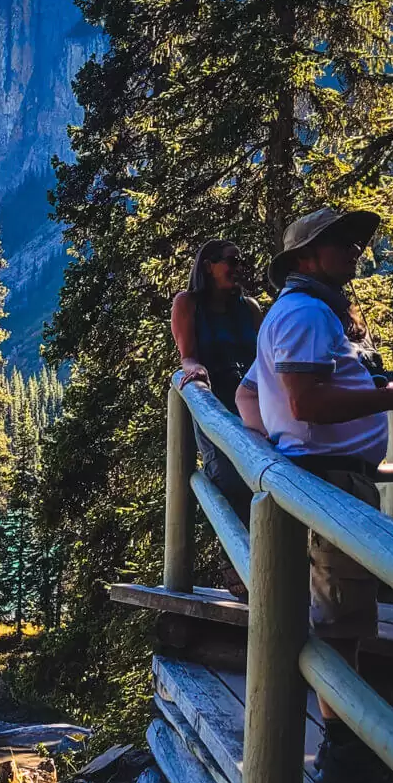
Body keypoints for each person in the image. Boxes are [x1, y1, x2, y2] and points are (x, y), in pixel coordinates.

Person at [236, 208, 393, 783]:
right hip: (328, 485)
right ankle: (345, 753)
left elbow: (250, 393)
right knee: (341, 624)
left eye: (356, 241)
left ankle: (342, 744)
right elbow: (306, 402)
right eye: (341, 242)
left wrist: (272, 447)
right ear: (305, 257)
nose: (355, 249)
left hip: (318, 478)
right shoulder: (304, 313)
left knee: (335, 619)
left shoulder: (309, 313)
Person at [171, 240, 263, 596]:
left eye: (240, 260)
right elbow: (187, 355)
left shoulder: (250, 308)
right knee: (225, 477)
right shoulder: (187, 304)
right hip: (214, 404)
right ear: (208, 265)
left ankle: (268, 567)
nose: (238, 267)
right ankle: (238, 571)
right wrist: (195, 374)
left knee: (263, 477)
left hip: (253, 403)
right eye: (231, 261)